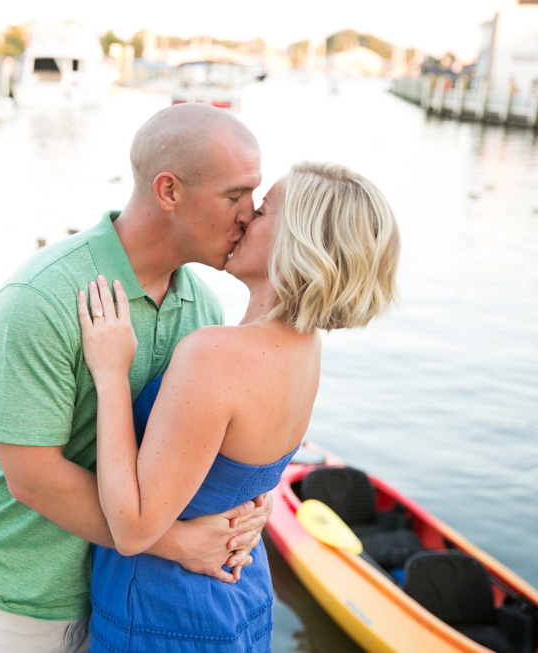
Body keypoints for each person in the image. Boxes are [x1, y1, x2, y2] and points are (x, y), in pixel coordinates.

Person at [0, 104, 274, 653]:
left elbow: (193, 457)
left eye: (255, 196)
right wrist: (179, 544)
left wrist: (248, 507)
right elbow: (31, 475)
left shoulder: (205, 310)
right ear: (169, 191)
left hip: (106, 610)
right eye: (234, 196)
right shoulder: (44, 296)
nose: (250, 215)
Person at [79, 162, 400, 652]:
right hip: (240, 594)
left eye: (264, 209)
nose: (245, 216)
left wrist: (110, 375)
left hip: (163, 614)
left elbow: (133, 528)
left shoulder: (216, 354)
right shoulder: (305, 348)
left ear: (298, 242)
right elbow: (245, 467)